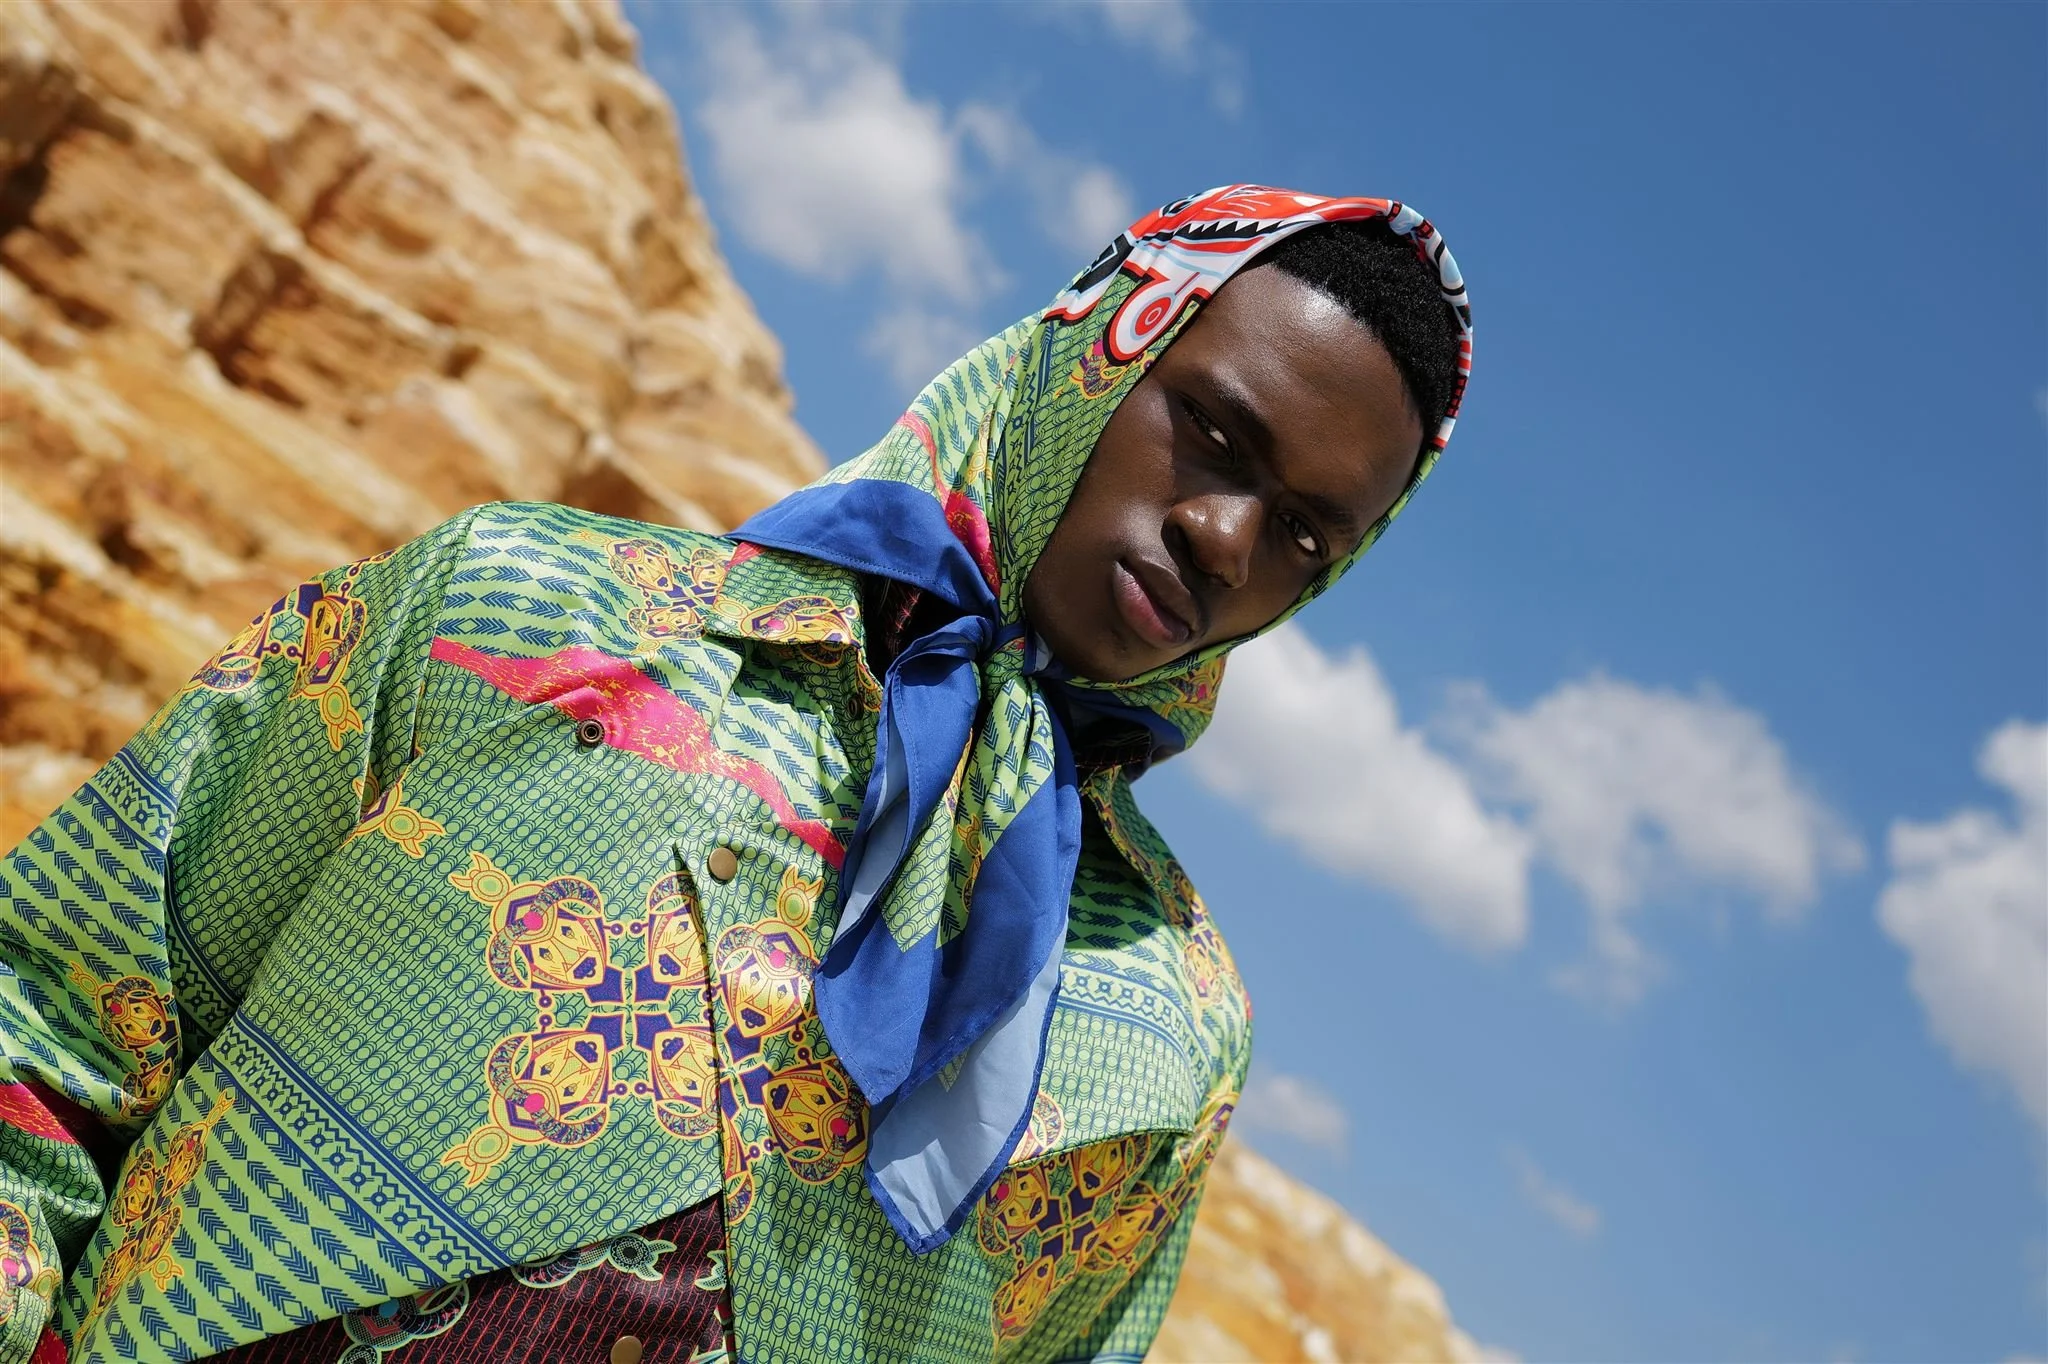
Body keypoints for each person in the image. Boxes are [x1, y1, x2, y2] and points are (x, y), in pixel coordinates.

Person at [0, 184, 1470, 1364]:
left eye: (1302, 538)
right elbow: (50, 1018)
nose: (1227, 541)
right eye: (1212, 433)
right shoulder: (528, 614)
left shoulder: (1166, 1027)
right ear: (1101, 351)